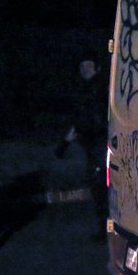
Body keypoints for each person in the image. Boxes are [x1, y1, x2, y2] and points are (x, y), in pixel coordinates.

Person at [55, 57, 108, 239]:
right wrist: (64, 143)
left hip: (100, 142)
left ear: (97, 68)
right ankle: (105, 228)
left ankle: (106, 230)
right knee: (97, 185)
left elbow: (94, 118)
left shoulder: (100, 88)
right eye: (82, 66)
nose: (85, 69)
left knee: (101, 185)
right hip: (90, 142)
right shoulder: (83, 90)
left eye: (88, 65)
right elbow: (79, 118)